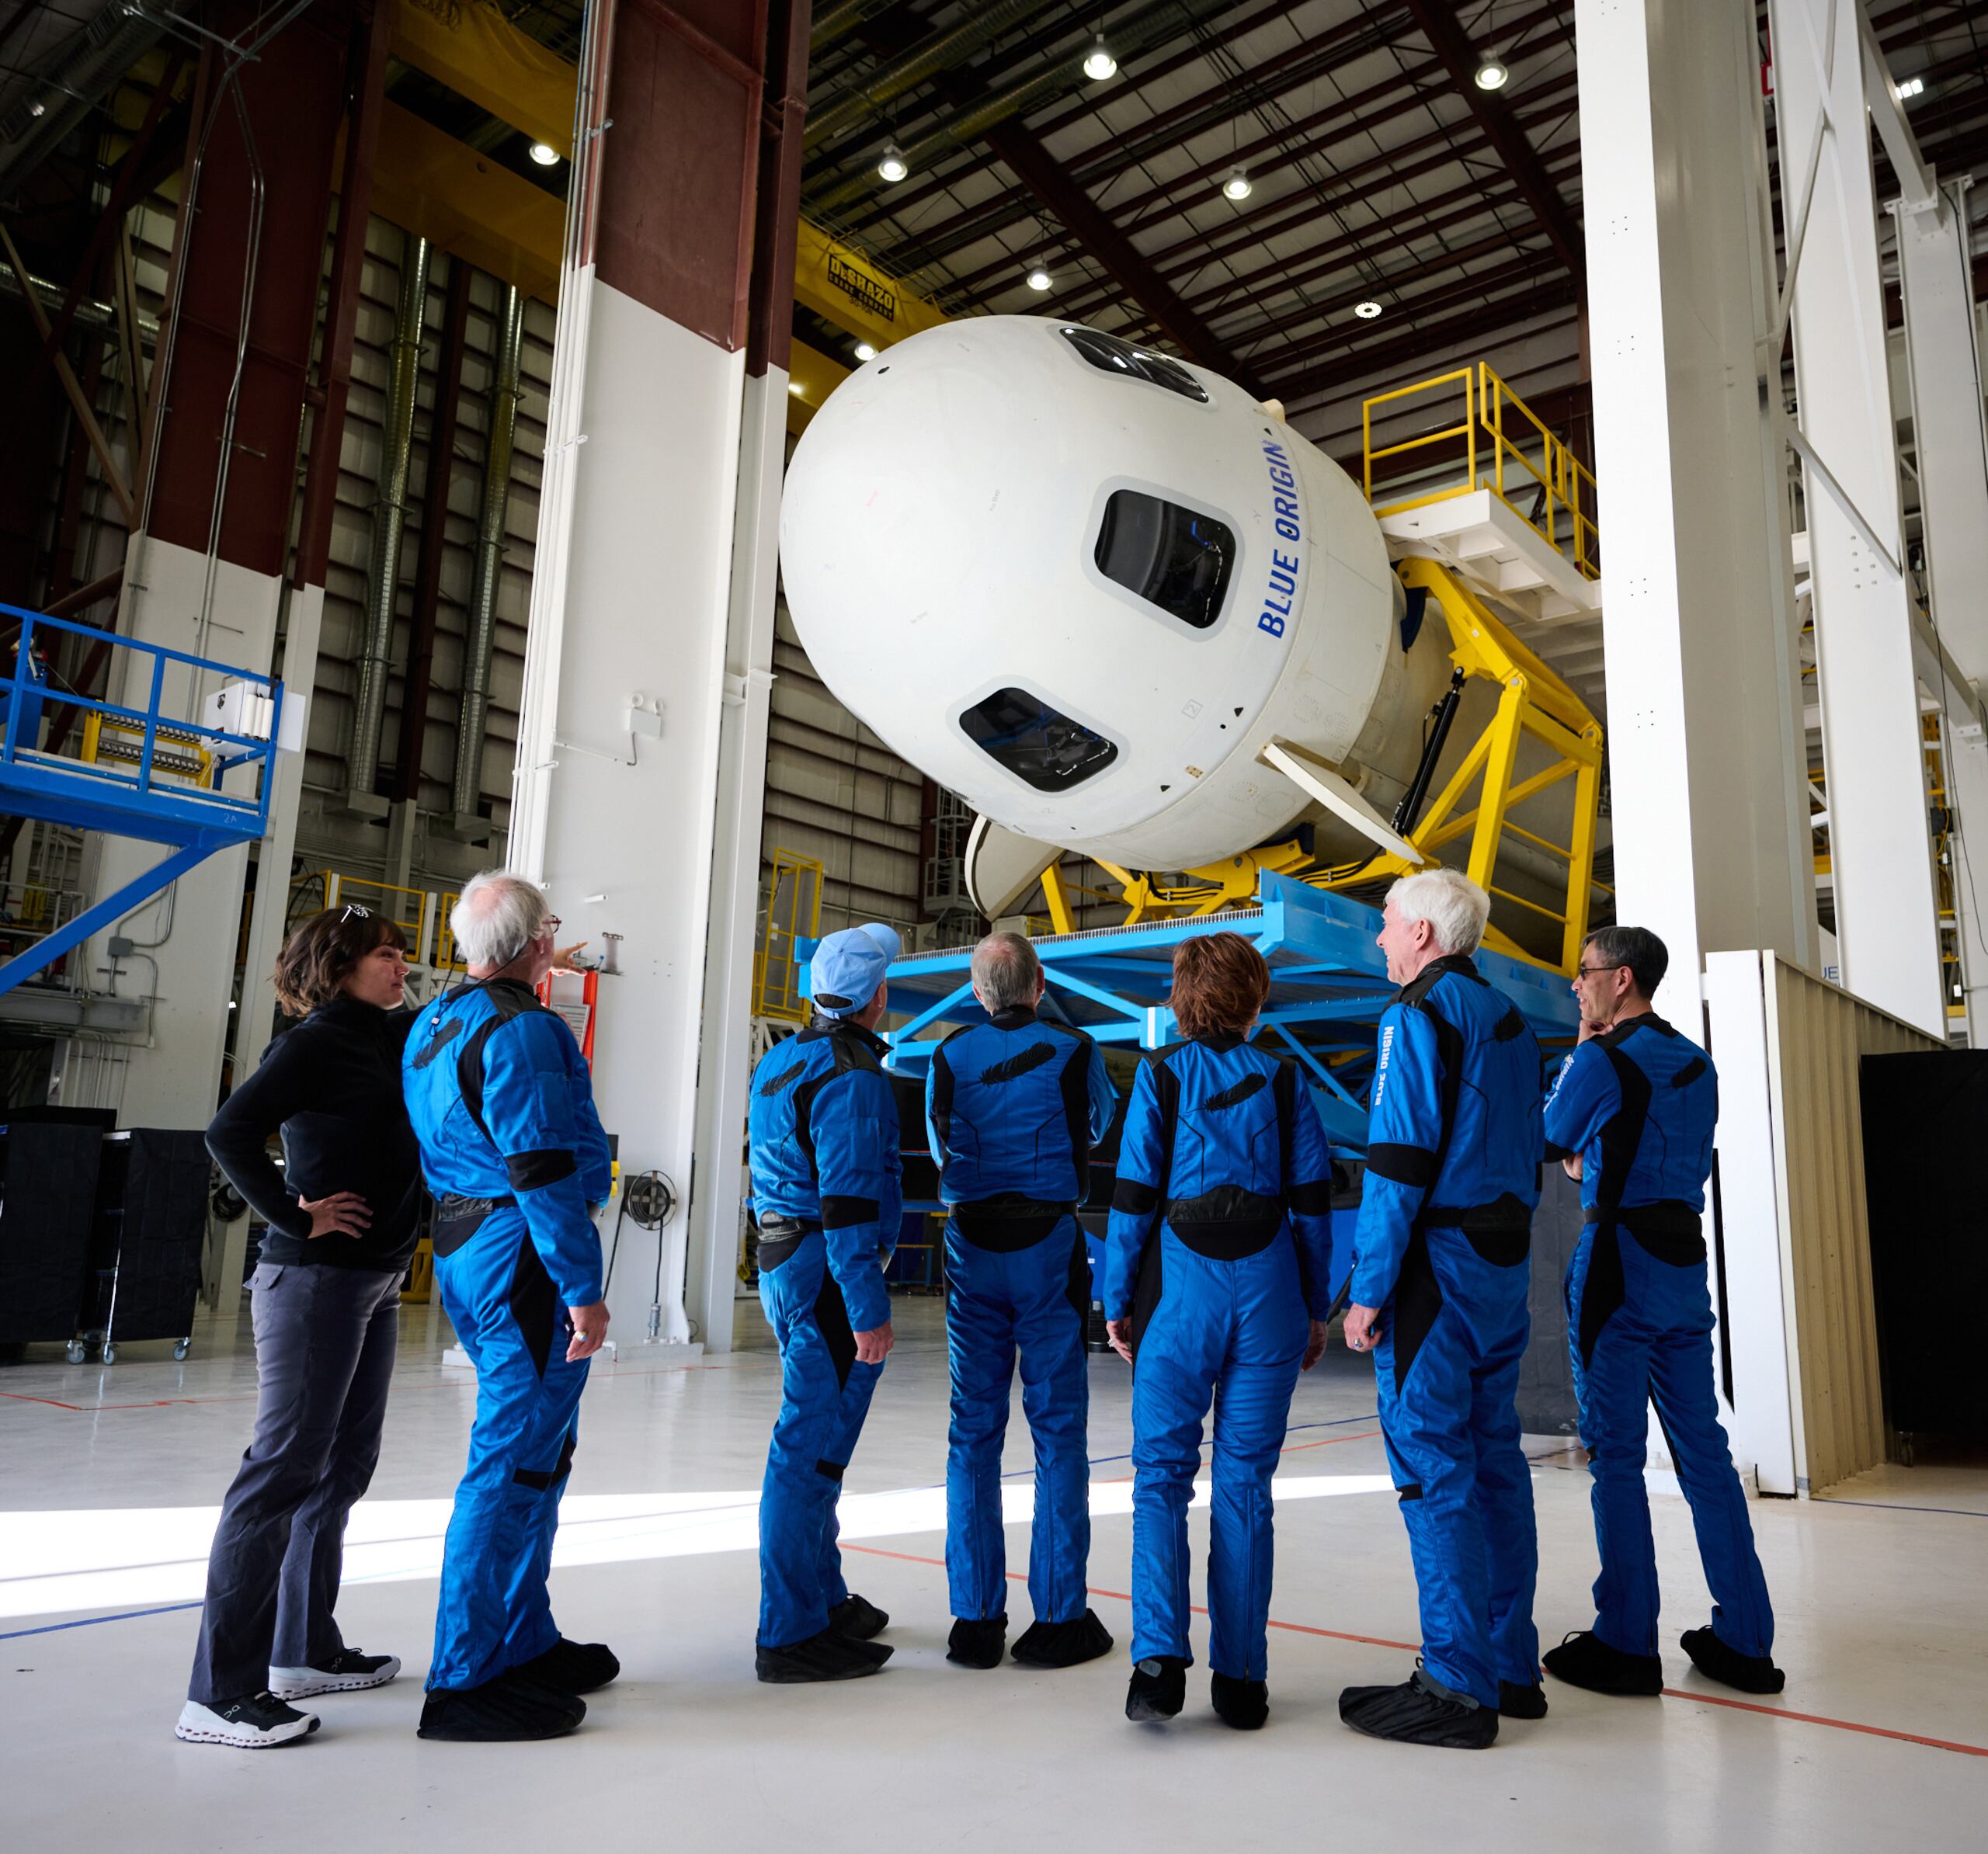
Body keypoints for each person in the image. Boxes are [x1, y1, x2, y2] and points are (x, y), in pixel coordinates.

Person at [178, 906, 421, 1749]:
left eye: (401, 954)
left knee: (341, 1469)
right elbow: (229, 1130)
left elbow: (456, 1013)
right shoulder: (316, 1042)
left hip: (376, 1281)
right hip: (314, 1281)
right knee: (281, 1472)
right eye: (386, 954)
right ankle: (217, 1694)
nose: (401, 966)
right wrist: (291, 1211)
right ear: (339, 965)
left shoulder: (391, 1036)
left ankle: (303, 1650)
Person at [1541, 925, 1784, 1698]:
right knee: (1703, 1457)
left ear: (1619, 980)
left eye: (1583, 975)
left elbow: (1550, 1138)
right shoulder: (1695, 1062)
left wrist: (1583, 1048)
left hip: (1615, 1268)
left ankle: (1624, 1642)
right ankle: (1745, 1641)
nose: (1575, 985)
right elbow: (1632, 1144)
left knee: (1614, 1457)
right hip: (1682, 1265)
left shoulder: (1604, 1059)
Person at [1102, 931, 1336, 1731]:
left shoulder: (1161, 1077)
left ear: (1181, 996)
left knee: (1160, 1478)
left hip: (1179, 1299)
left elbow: (1133, 1196)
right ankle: (1241, 1682)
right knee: (1244, 1485)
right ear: (1253, 998)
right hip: (1268, 1293)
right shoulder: (1284, 1079)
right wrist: (1314, 1306)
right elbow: (1312, 1203)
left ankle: (1157, 1664)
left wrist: (1113, 1298)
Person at [1336, 868, 1546, 1750]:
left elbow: (1398, 1164)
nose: (1379, 939)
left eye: (1386, 924)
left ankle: (1456, 1686)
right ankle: (1509, 1666)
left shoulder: (1414, 1018)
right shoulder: (1511, 1023)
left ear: (1423, 933)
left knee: (1432, 1469)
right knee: (1495, 1458)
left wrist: (1367, 1288)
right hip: (1502, 1267)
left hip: (1436, 1275)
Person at [402, 872, 614, 1742]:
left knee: (537, 1457)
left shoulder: (434, 1021)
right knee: (506, 1459)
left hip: (465, 1242)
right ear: (535, 944)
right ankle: (461, 1676)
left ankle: (520, 1638)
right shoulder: (522, 1030)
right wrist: (583, 1289)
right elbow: (539, 1167)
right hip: (521, 1256)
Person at [926, 931, 1117, 1672]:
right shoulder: (1076, 1049)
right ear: (1038, 986)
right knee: (1058, 1429)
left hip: (971, 1248)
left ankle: (974, 1623)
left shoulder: (946, 1056)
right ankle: (1060, 1619)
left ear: (979, 993)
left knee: (971, 1431)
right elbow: (1095, 1125)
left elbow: (941, 1146)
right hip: (1047, 1246)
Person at [748, 922, 904, 1683]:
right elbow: (846, 1205)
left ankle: (820, 1596)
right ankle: (788, 1631)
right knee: (806, 1449)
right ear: (878, 996)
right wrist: (868, 1307)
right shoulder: (853, 1076)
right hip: (824, 1272)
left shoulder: (782, 1059)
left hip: (785, 1257)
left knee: (821, 1446)